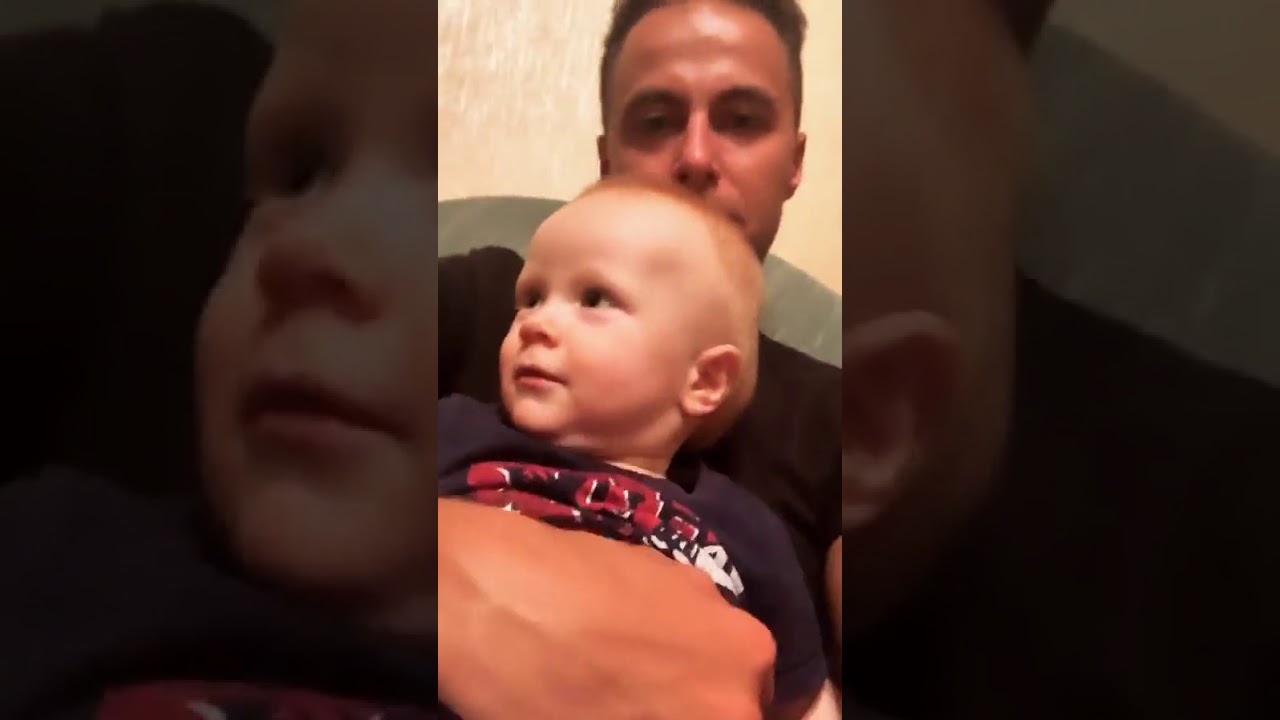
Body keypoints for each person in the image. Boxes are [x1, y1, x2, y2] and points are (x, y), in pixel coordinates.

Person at [439, 177, 840, 718]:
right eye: (530, 298)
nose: (536, 323)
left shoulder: (750, 530)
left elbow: (804, 699)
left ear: (704, 381)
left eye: (595, 299)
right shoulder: (455, 427)